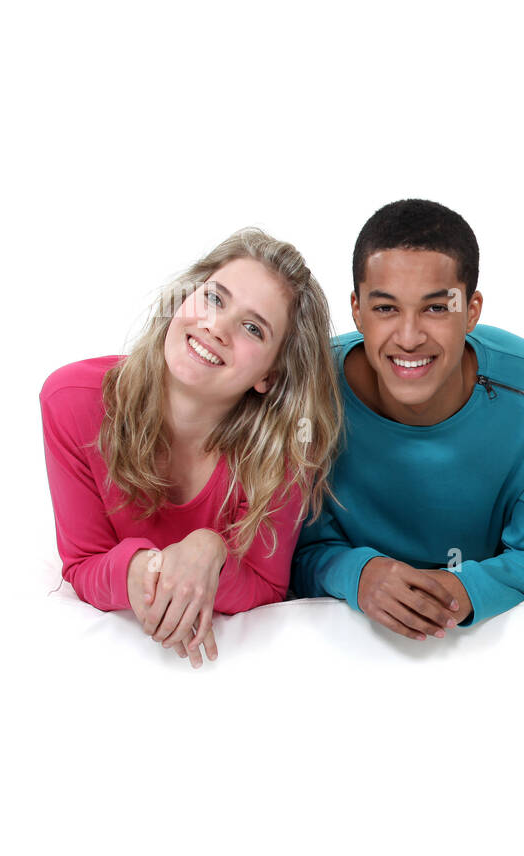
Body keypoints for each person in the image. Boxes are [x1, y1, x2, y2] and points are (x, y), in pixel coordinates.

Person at [40, 228, 341, 667]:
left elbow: (266, 586)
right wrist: (146, 569)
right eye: (214, 298)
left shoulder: (289, 447)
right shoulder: (71, 400)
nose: (215, 327)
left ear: (270, 376)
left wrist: (209, 550)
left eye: (253, 328)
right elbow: (83, 564)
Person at [290, 199, 524, 638]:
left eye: (436, 308)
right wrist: (359, 574)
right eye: (385, 308)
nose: (409, 337)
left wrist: (459, 588)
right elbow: (289, 551)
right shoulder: (306, 392)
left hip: (492, 645)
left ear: (472, 311)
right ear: (356, 309)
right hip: (342, 643)